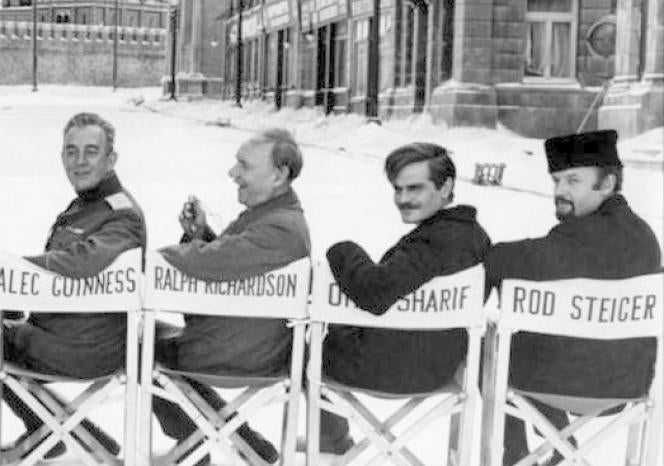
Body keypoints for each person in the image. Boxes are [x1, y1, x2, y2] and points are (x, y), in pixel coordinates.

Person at [485, 129, 661, 465]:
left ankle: (519, 453)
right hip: (628, 385)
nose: (560, 191)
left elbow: (502, 260)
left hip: (561, 381)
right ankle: (555, 445)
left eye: (573, 181)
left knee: (494, 347)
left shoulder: (578, 235)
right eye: (556, 180)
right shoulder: (645, 237)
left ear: (607, 185)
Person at [0, 112, 147, 460]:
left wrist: (12, 270)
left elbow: (83, 261)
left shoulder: (121, 214)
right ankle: (61, 432)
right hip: (64, 335)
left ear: (111, 159)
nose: (79, 161)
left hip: (85, 347)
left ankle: (55, 432)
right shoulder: (84, 205)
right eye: (71, 151)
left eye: (91, 151)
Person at [150, 128, 312, 465]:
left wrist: (148, 259)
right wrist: (201, 235)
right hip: (239, 341)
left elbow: (214, 262)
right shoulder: (275, 217)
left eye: (244, 166)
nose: (232, 173)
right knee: (141, 338)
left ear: (279, 175)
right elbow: (235, 261)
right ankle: (237, 443)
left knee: (129, 342)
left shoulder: (279, 228)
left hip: (236, 352)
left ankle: (197, 445)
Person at [318, 142, 491, 452]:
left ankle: (333, 444)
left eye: (415, 188)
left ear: (446, 186)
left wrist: (343, 249)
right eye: (397, 189)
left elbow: (375, 292)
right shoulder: (475, 236)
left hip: (386, 369)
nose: (403, 199)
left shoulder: (432, 241)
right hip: (439, 368)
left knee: (305, 349)